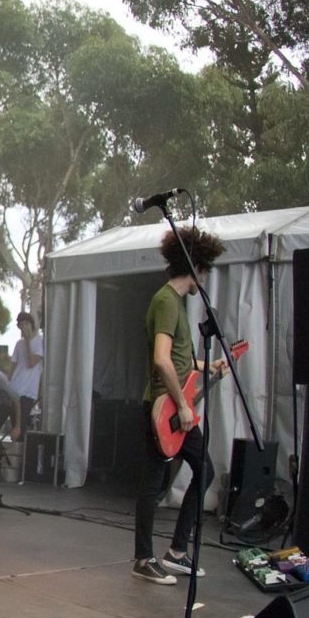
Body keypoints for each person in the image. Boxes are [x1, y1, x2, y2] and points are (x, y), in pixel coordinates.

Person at [133, 226, 229, 585]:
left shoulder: (173, 303)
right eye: (204, 271)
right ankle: (144, 558)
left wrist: (210, 365)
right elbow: (161, 359)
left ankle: (175, 552)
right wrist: (183, 405)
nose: (203, 280)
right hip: (164, 409)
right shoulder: (166, 301)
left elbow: (179, 359)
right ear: (196, 268)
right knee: (154, 481)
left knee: (202, 470)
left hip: (173, 406)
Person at [8, 309, 42, 437]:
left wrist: (28, 341)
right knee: (14, 423)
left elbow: (32, 362)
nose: (24, 327)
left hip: (28, 390)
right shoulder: (19, 344)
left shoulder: (40, 341)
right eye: (21, 325)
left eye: (26, 324)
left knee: (21, 425)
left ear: (31, 324)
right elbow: (13, 365)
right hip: (15, 386)